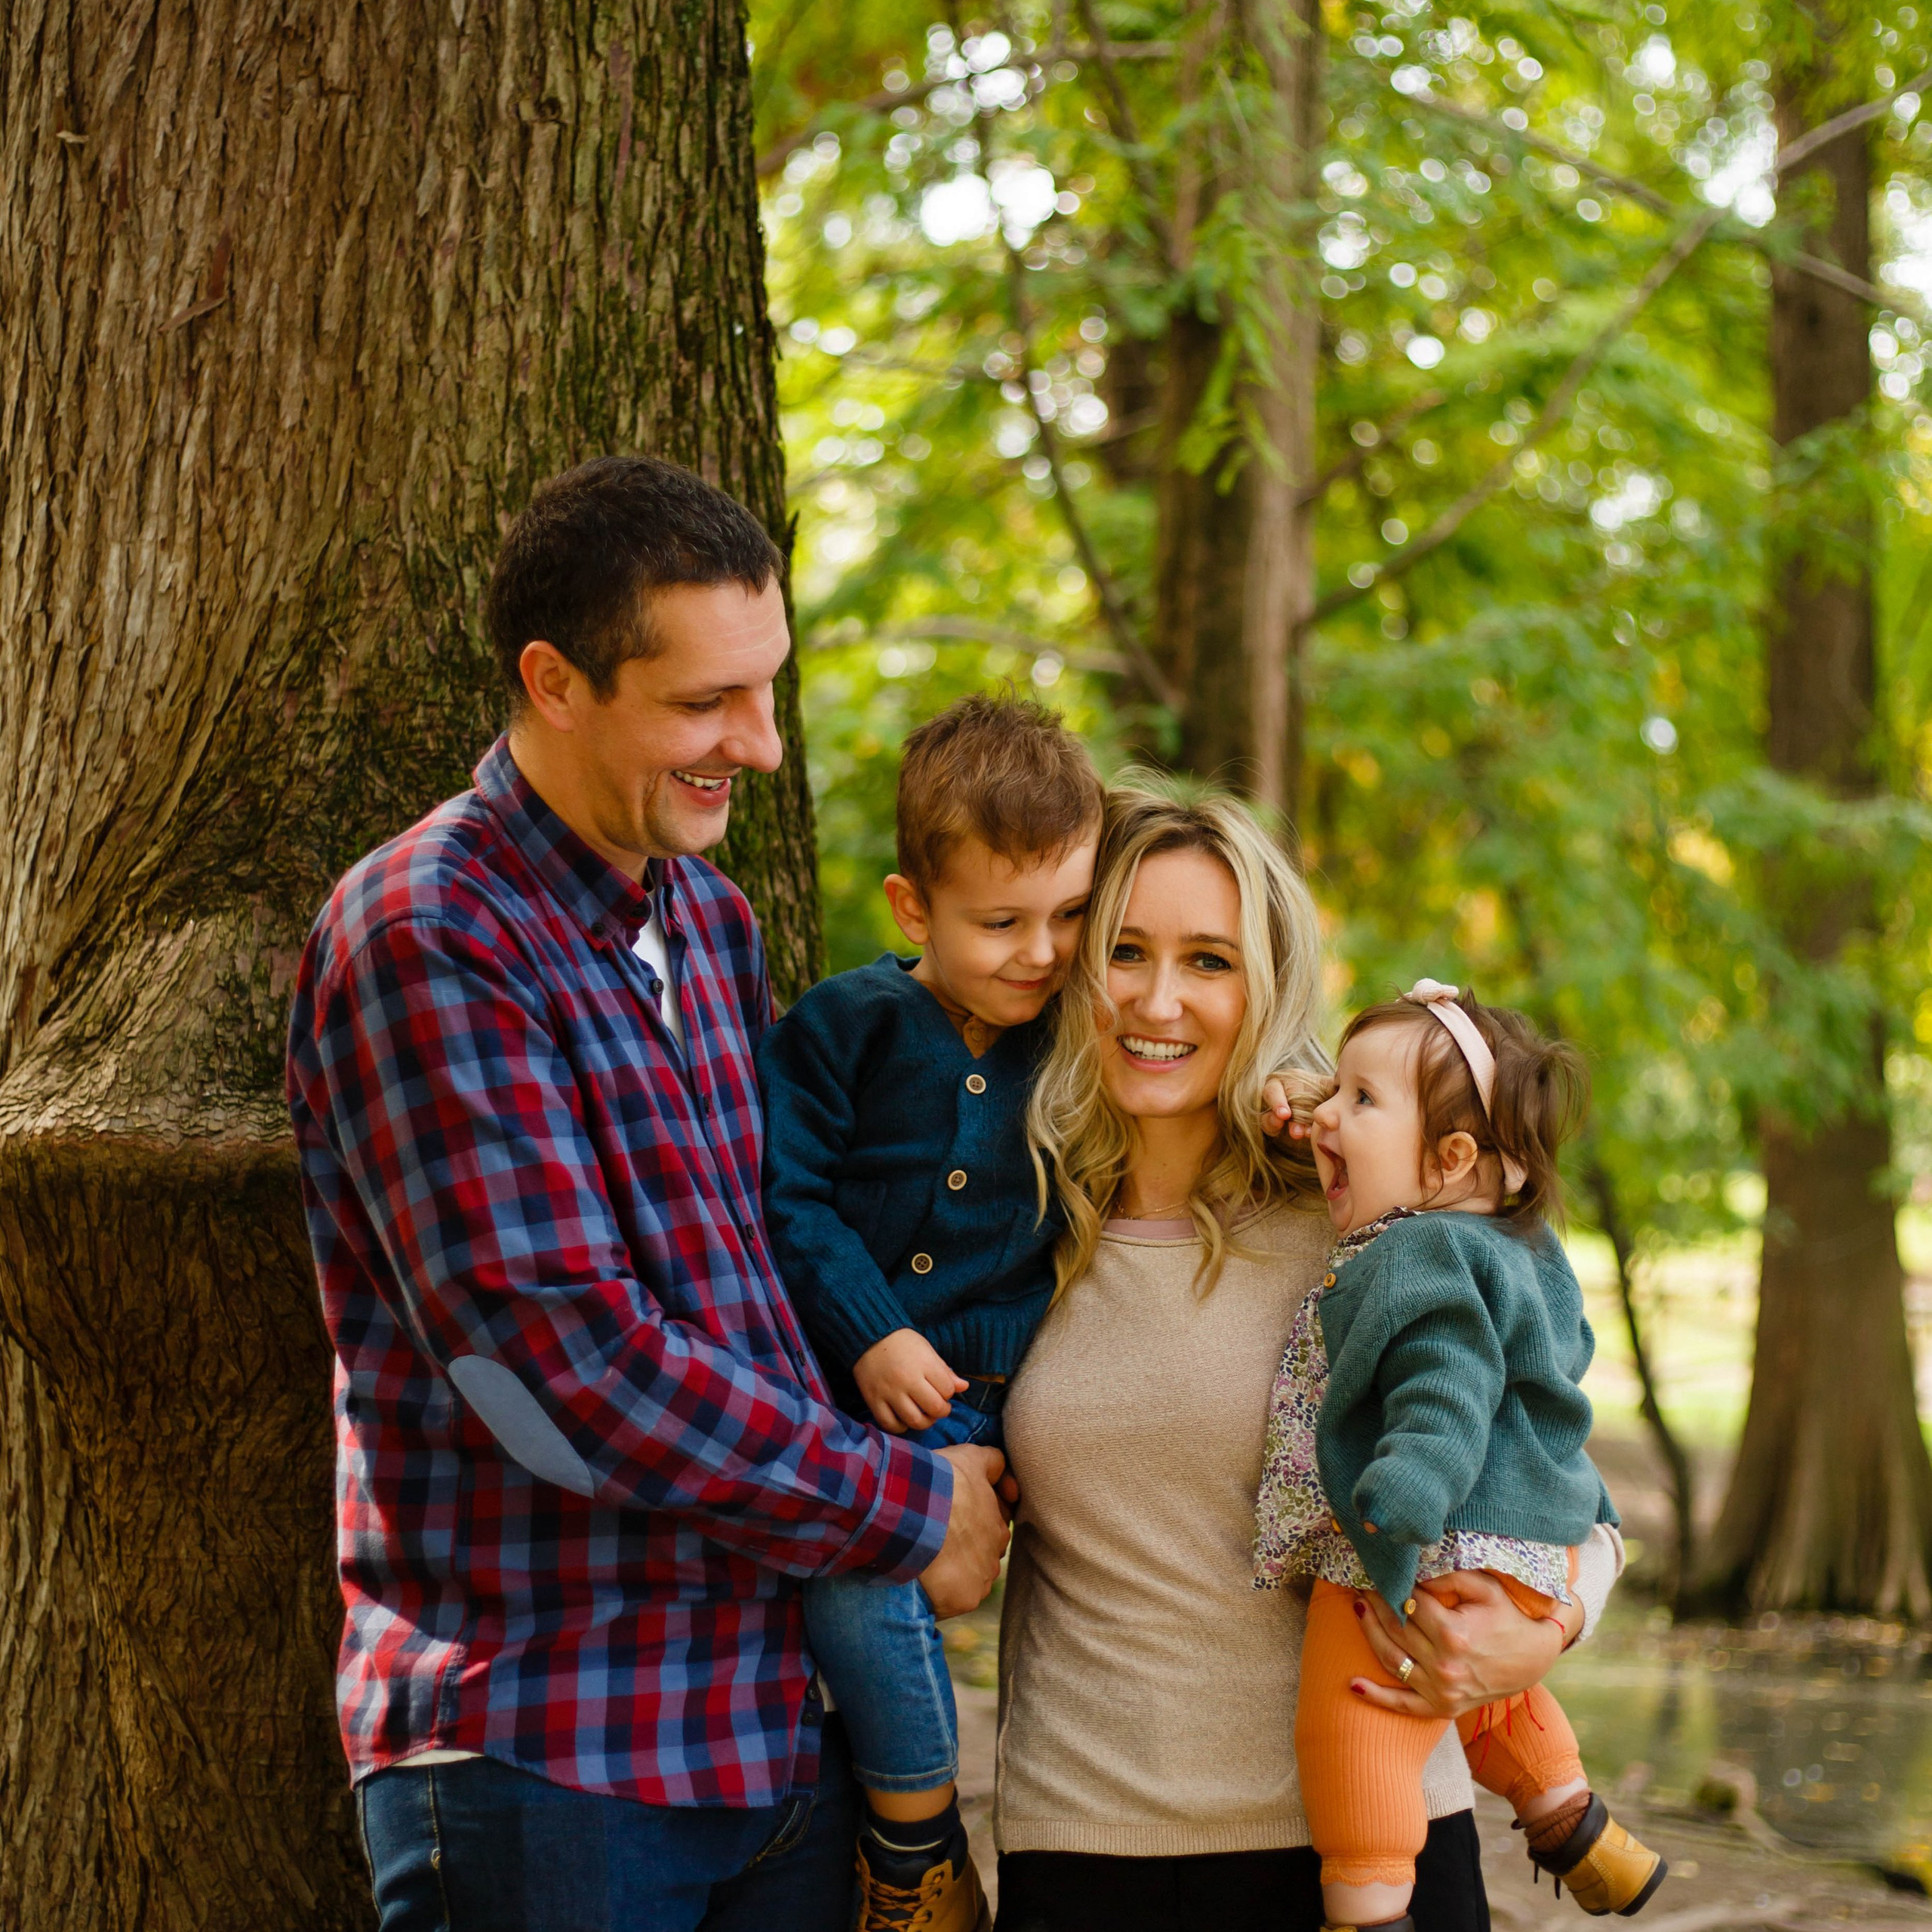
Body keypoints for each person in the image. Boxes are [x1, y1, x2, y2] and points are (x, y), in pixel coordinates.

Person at [286, 456, 1014, 1932]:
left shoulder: (709, 917)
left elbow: (755, 1275)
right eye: (703, 705)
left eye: (766, 688)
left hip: (764, 1737)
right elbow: (560, 1361)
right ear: (552, 681)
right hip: (549, 1747)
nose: (755, 742)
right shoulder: (431, 935)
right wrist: (903, 1503)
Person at [992, 780, 1627, 1932]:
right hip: (1080, 1845)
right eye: (1126, 950)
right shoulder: (1010, 1220)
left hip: (1362, 1854)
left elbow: (1566, 1483)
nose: (1159, 999)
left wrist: (1548, 1625)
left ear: (1267, 982)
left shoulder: (1367, 1231)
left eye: (1210, 962)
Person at [757, 694, 1106, 1932]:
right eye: (1001, 922)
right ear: (916, 909)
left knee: (870, 1575)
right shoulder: (844, 1027)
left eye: (1071, 916)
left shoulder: (1084, 1039)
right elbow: (783, 1196)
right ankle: (925, 1846)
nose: (1043, 952)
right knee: (852, 1569)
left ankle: (909, 1854)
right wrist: (869, 1330)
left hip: (994, 1399)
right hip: (857, 1386)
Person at [1253, 980, 1667, 1932]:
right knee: (1481, 1704)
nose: (1324, 1120)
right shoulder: (1508, 1244)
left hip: (1415, 1535)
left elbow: (1447, 1382)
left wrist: (1408, 1483)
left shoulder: (1416, 1256)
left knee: (1349, 1723)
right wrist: (1332, 1114)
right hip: (1516, 1552)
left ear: (1448, 1158)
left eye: (1358, 1101)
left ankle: (1367, 1906)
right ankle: (1574, 1823)